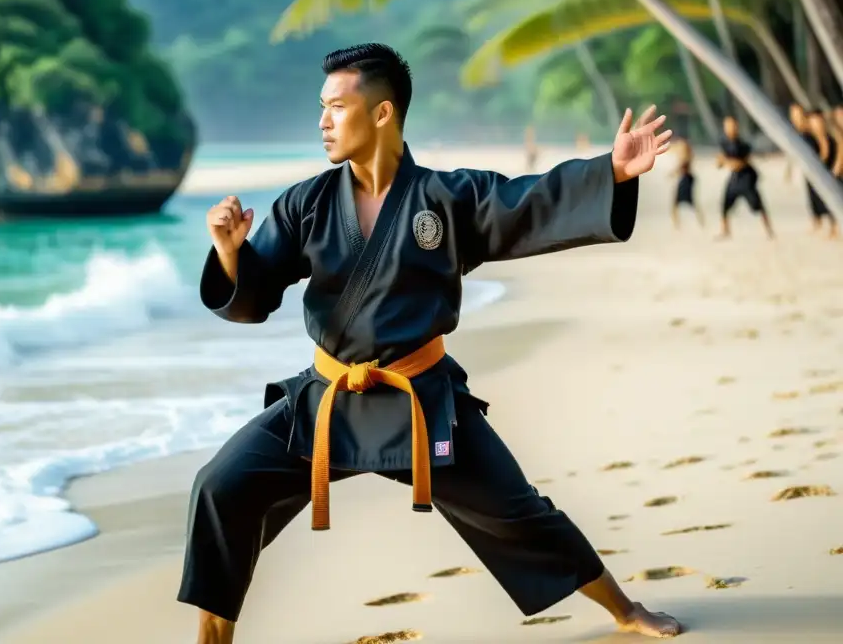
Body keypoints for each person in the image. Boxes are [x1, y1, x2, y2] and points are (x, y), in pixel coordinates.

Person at [182, 43, 682, 643]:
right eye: (321, 107)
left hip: (421, 401)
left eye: (337, 107)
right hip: (328, 399)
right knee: (220, 488)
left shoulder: (448, 199)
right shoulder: (306, 205)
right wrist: (231, 251)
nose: (322, 121)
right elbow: (254, 296)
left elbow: (526, 202)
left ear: (383, 113)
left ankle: (625, 611)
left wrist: (611, 171)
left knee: (517, 511)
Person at [715, 115, 774, 239]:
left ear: (737, 127)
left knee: (757, 205)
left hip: (746, 178)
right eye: (727, 125)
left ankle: (769, 230)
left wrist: (726, 161)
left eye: (732, 125)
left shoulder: (743, 145)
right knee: (725, 204)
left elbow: (739, 164)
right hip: (735, 178)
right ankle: (725, 231)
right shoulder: (724, 143)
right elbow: (719, 164)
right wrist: (724, 161)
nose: (729, 128)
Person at [669, 137, 704, 229]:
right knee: (688, 202)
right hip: (687, 178)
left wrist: (673, 173)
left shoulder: (686, 156)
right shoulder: (688, 153)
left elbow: (682, 167)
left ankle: (677, 224)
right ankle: (678, 224)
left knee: (679, 202)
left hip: (686, 179)